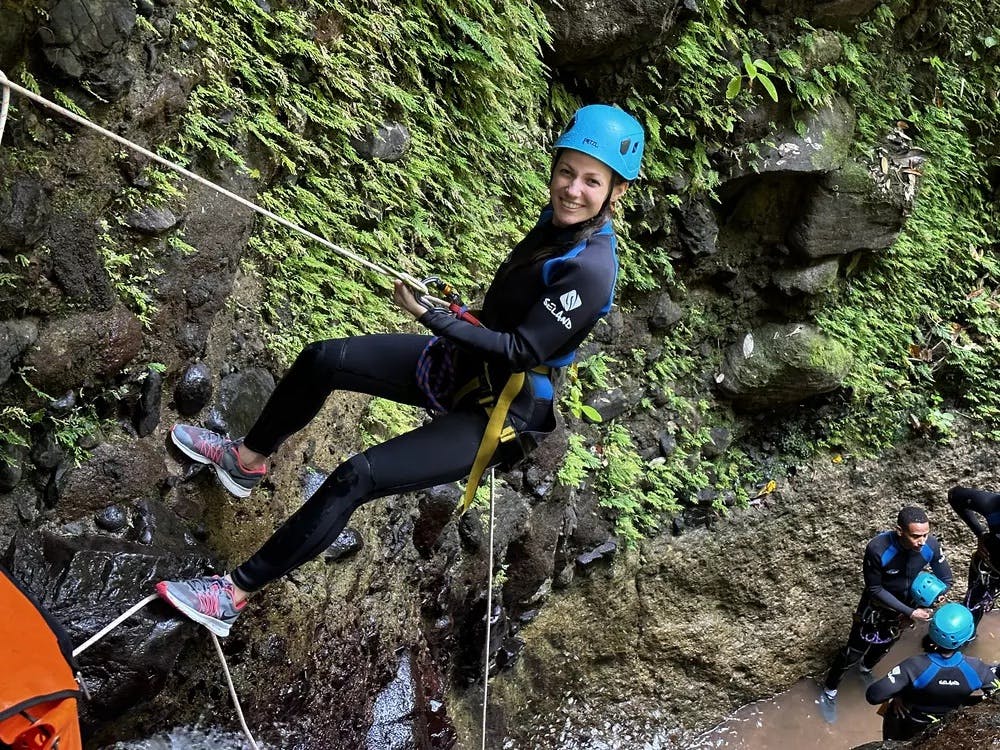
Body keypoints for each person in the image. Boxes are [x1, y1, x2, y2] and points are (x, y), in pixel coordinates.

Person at [155, 104, 645, 637]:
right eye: (566, 172)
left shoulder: (592, 269)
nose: (573, 189)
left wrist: (435, 318)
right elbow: (507, 314)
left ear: (616, 191)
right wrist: (454, 312)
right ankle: (247, 460)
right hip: (465, 365)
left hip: (501, 412)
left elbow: (522, 349)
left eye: (592, 181)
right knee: (323, 360)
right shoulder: (558, 225)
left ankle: (233, 594)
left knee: (355, 478)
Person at [818, 506, 954, 723]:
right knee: (852, 653)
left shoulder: (930, 546)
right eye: (916, 536)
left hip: (905, 610)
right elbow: (874, 589)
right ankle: (829, 690)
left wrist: (937, 596)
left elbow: (947, 579)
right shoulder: (878, 549)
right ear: (900, 531)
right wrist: (911, 611)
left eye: (925, 534)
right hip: (876, 608)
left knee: (884, 646)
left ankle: (865, 670)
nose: (922, 541)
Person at [865, 603, 999, 741]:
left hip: (909, 720)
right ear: (967, 635)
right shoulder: (977, 668)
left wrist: (899, 694)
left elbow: (874, 695)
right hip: (948, 724)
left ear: (932, 629)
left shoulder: (914, 666)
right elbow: (996, 694)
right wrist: (963, 701)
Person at [948, 485, 1000, 629]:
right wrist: (980, 533)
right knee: (972, 609)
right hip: (990, 568)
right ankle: (965, 636)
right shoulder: (993, 505)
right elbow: (954, 495)